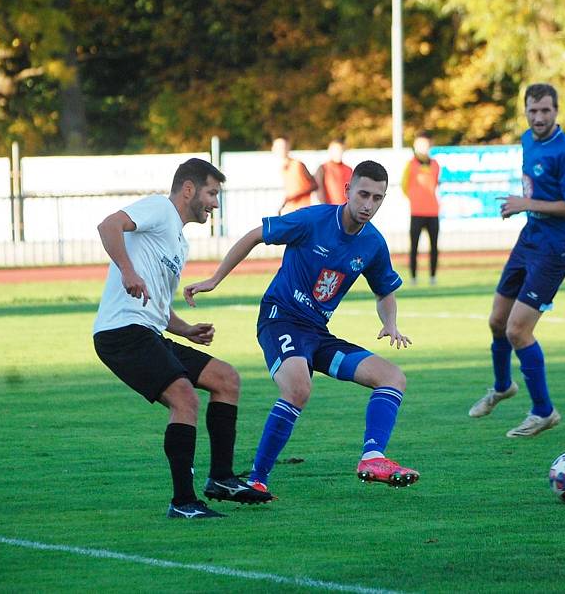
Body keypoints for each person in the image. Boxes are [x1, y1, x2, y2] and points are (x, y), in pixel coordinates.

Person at [184, 160, 420, 494]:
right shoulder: (314, 219)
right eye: (363, 194)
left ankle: (372, 457)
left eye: (377, 198)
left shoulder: (373, 244)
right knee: (298, 388)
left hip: (317, 334)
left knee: (393, 377)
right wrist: (215, 278)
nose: (368, 205)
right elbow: (255, 235)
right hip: (279, 318)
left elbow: (385, 292)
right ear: (347, 190)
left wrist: (390, 322)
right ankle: (257, 480)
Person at [92, 157, 273, 520]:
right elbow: (108, 224)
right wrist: (127, 271)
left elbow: (156, 306)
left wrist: (185, 329)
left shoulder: (179, 242)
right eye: (211, 193)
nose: (215, 203)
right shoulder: (160, 208)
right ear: (188, 189)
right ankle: (183, 501)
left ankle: (221, 479)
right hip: (120, 333)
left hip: (148, 332)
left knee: (226, 379)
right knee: (184, 398)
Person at [468, 83, 565, 437]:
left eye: (545, 111)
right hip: (529, 239)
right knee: (496, 321)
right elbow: (534, 192)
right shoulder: (527, 139)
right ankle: (503, 387)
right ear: (525, 111)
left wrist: (526, 205)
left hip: (555, 248)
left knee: (518, 330)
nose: (538, 118)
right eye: (533, 111)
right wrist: (520, 207)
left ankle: (543, 411)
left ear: (556, 111)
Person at [401, 130, 441, 286]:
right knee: (414, 246)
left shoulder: (436, 164)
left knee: (434, 246)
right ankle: (413, 277)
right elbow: (404, 186)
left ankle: (432, 276)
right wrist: (415, 199)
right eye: (421, 144)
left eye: (426, 144)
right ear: (415, 145)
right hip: (417, 212)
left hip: (433, 211)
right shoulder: (410, 165)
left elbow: (435, 183)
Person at [272, 135, 318, 215]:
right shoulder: (282, 168)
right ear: (273, 149)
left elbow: (314, 185)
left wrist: (294, 196)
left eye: (283, 146)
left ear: (288, 147)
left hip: (303, 210)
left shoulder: (297, 164)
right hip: (290, 210)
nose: (281, 150)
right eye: (278, 147)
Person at [314, 137, 353, 205]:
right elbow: (319, 190)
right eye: (336, 150)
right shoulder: (323, 168)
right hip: (329, 209)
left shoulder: (349, 169)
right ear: (330, 151)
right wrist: (325, 208)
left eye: (341, 150)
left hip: (345, 210)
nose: (338, 153)